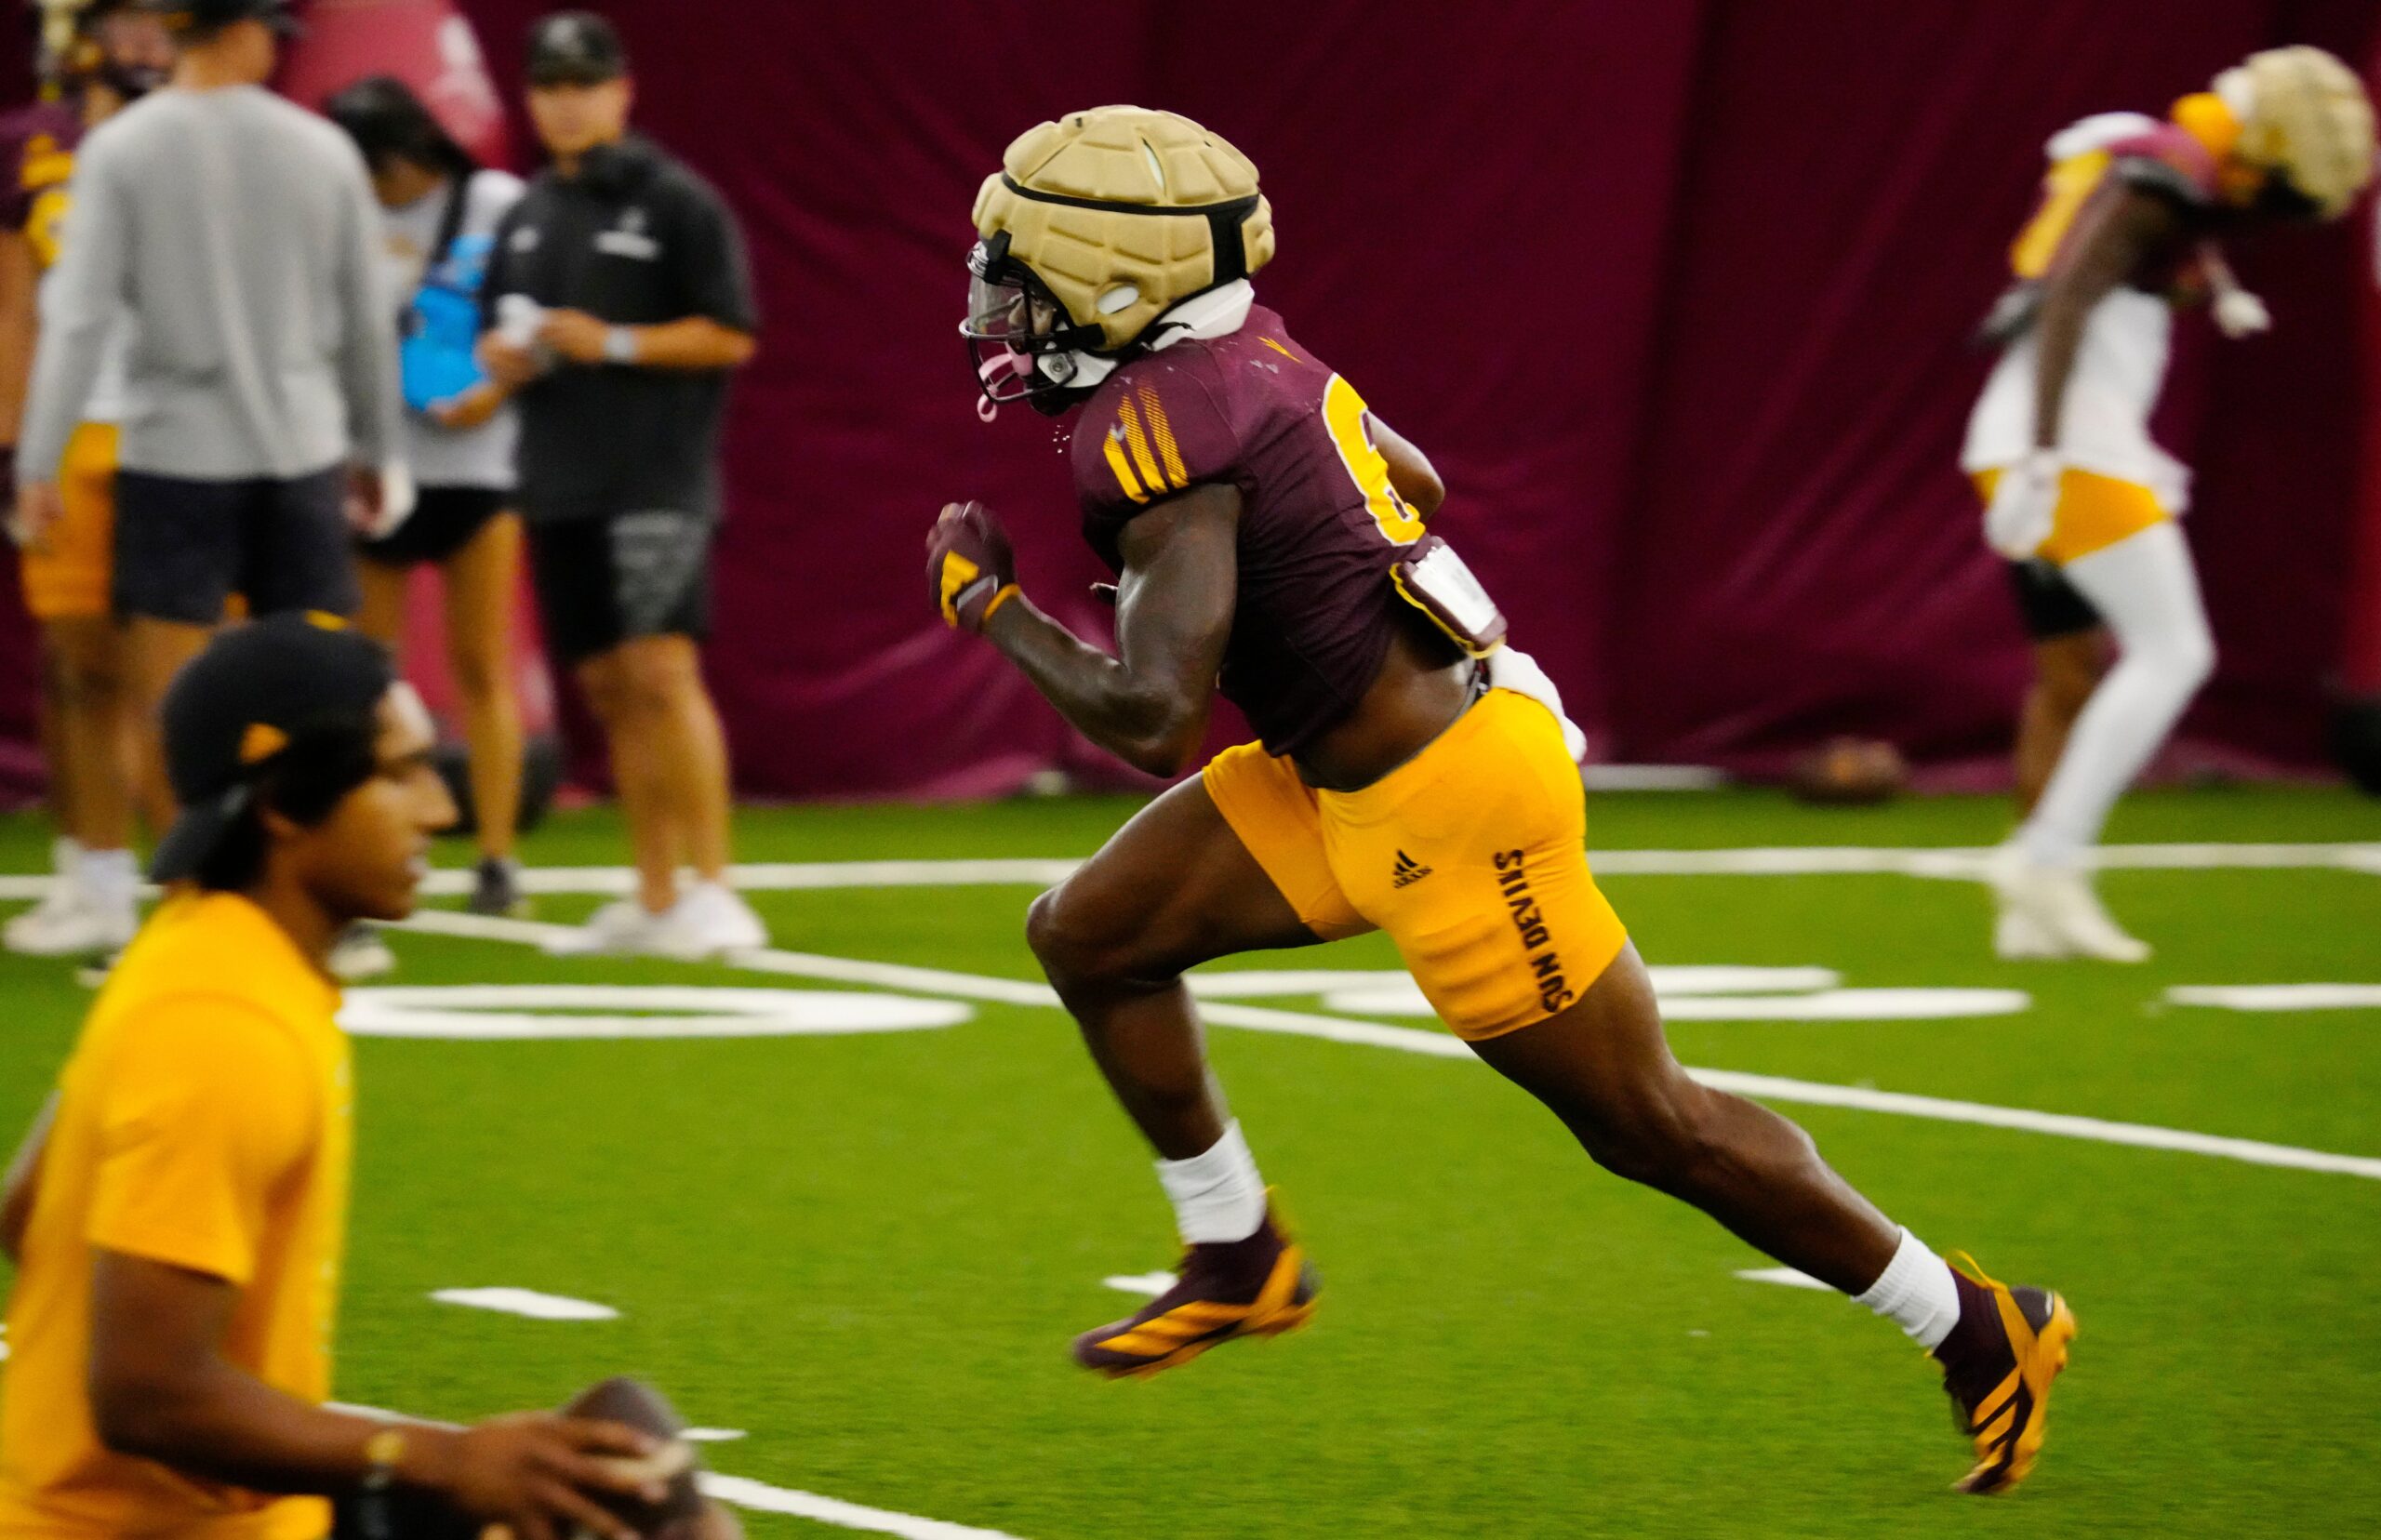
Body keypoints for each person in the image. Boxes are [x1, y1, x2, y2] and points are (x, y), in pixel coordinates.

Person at [934, 106, 2075, 1493]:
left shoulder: (1163, 437)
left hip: (1450, 805)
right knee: (1093, 936)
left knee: (1651, 1124)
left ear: (1119, 285)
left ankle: (1974, 1325)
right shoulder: (1249, 349)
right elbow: (1413, 479)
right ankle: (1240, 1254)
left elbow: (1153, 721)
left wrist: (992, 610)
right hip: (1350, 763)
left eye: (1023, 271)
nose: (999, 300)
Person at [0, 614, 738, 1540]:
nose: (438, 808)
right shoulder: (223, 1026)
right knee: (664, 1513)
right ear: (283, 802)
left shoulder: (204, 946)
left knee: (623, 1462)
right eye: (397, 775)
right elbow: (144, 1397)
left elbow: (31, 1210)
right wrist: (436, 1459)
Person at [10, 0, 405, 980]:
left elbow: (80, 315)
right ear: (241, 30)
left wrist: (38, 456)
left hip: (174, 453)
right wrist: (377, 447)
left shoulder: (123, 150)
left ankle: (190, 913)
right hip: (303, 447)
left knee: (178, 704)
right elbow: (363, 316)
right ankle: (334, 920)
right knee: (321, 700)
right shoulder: (319, 147)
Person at [1963, 46, 2374, 960]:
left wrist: (2205, 288)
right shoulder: (2159, 183)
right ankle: (2044, 857)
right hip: (2071, 449)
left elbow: (2130, 268)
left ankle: (2037, 904)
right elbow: (2066, 298)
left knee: (2079, 666)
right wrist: (2040, 454)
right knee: (2172, 649)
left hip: (2062, 444)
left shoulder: (2165, 179)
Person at [478, 11, 762, 958]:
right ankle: (651, 893)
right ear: (531, 98)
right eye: (549, 87)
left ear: (621, 90)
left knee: (661, 669)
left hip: (656, 477)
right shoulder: (522, 215)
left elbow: (731, 333)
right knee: (605, 688)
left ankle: (714, 888)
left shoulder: (675, 201)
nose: (566, 103)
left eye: (583, 84)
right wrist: (506, 361)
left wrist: (616, 342)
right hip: (557, 481)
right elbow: (491, 341)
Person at [327, 73, 532, 920]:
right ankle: (370, 848)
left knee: (484, 668)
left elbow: (539, 307)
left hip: (480, 466)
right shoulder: (341, 207)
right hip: (380, 467)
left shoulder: (495, 201)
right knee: (368, 676)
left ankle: (497, 857)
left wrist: (498, 382)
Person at [0, 0, 174, 957]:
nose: (148, 43)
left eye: (163, 23)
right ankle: (94, 875)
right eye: (130, 22)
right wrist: (14, 444)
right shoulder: (32, 146)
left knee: (173, 666)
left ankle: (195, 875)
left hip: (176, 430)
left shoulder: (197, 131)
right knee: (76, 667)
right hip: (71, 436)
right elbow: (16, 308)